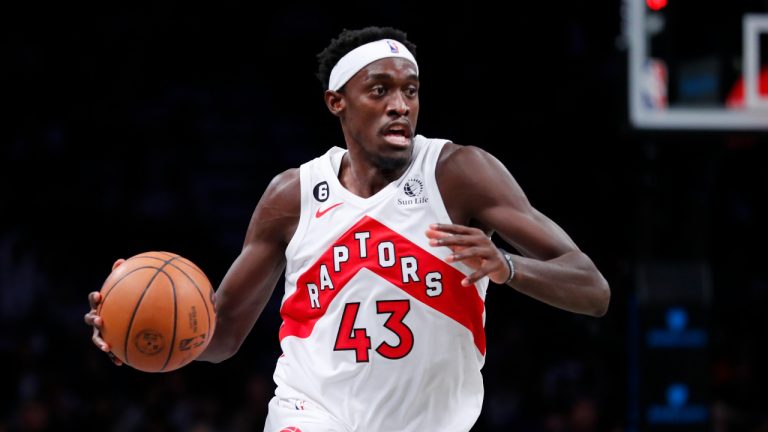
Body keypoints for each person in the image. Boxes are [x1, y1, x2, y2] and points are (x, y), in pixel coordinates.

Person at [85, 26, 610, 432]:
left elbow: (592, 289)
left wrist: (509, 268)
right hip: (310, 411)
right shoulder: (292, 195)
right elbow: (220, 336)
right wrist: (149, 334)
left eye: (410, 90)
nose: (400, 105)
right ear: (337, 102)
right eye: (379, 90)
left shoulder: (457, 173)